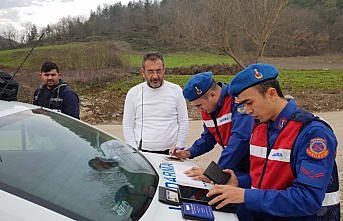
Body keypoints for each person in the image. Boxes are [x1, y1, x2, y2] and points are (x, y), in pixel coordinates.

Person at [207, 63, 340, 220]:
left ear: (271, 93)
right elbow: (268, 181)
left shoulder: (312, 133)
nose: (247, 111)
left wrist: (245, 196)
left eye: (249, 103)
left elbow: (307, 198)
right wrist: (239, 181)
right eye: (242, 106)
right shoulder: (260, 127)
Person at [173, 72, 254, 182]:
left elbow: (240, 139)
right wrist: (188, 152)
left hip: (252, 164)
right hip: (235, 164)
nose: (199, 110)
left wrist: (215, 172)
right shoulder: (209, 108)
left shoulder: (236, 101)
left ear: (212, 95)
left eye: (199, 105)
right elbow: (208, 138)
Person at [122, 52, 189, 154]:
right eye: (150, 72)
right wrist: (134, 151)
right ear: (143, 72)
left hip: (171, 154)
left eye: (158, 71)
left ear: (164, 70)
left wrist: (179, 146)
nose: (155, 76)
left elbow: (183, 121)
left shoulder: (176, 90)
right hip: (142, 153)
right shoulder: (133, 93)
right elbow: (128, 125)